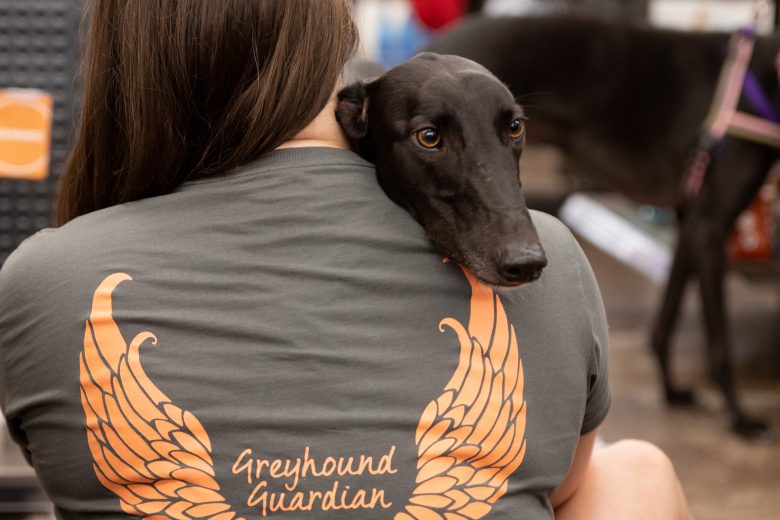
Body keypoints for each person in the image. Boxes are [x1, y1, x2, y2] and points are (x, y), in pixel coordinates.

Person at [0, 1, 692, 518]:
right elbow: (559, 487)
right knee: (633, 469)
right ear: (334, 38)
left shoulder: (43, 279)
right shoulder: (556, 261)